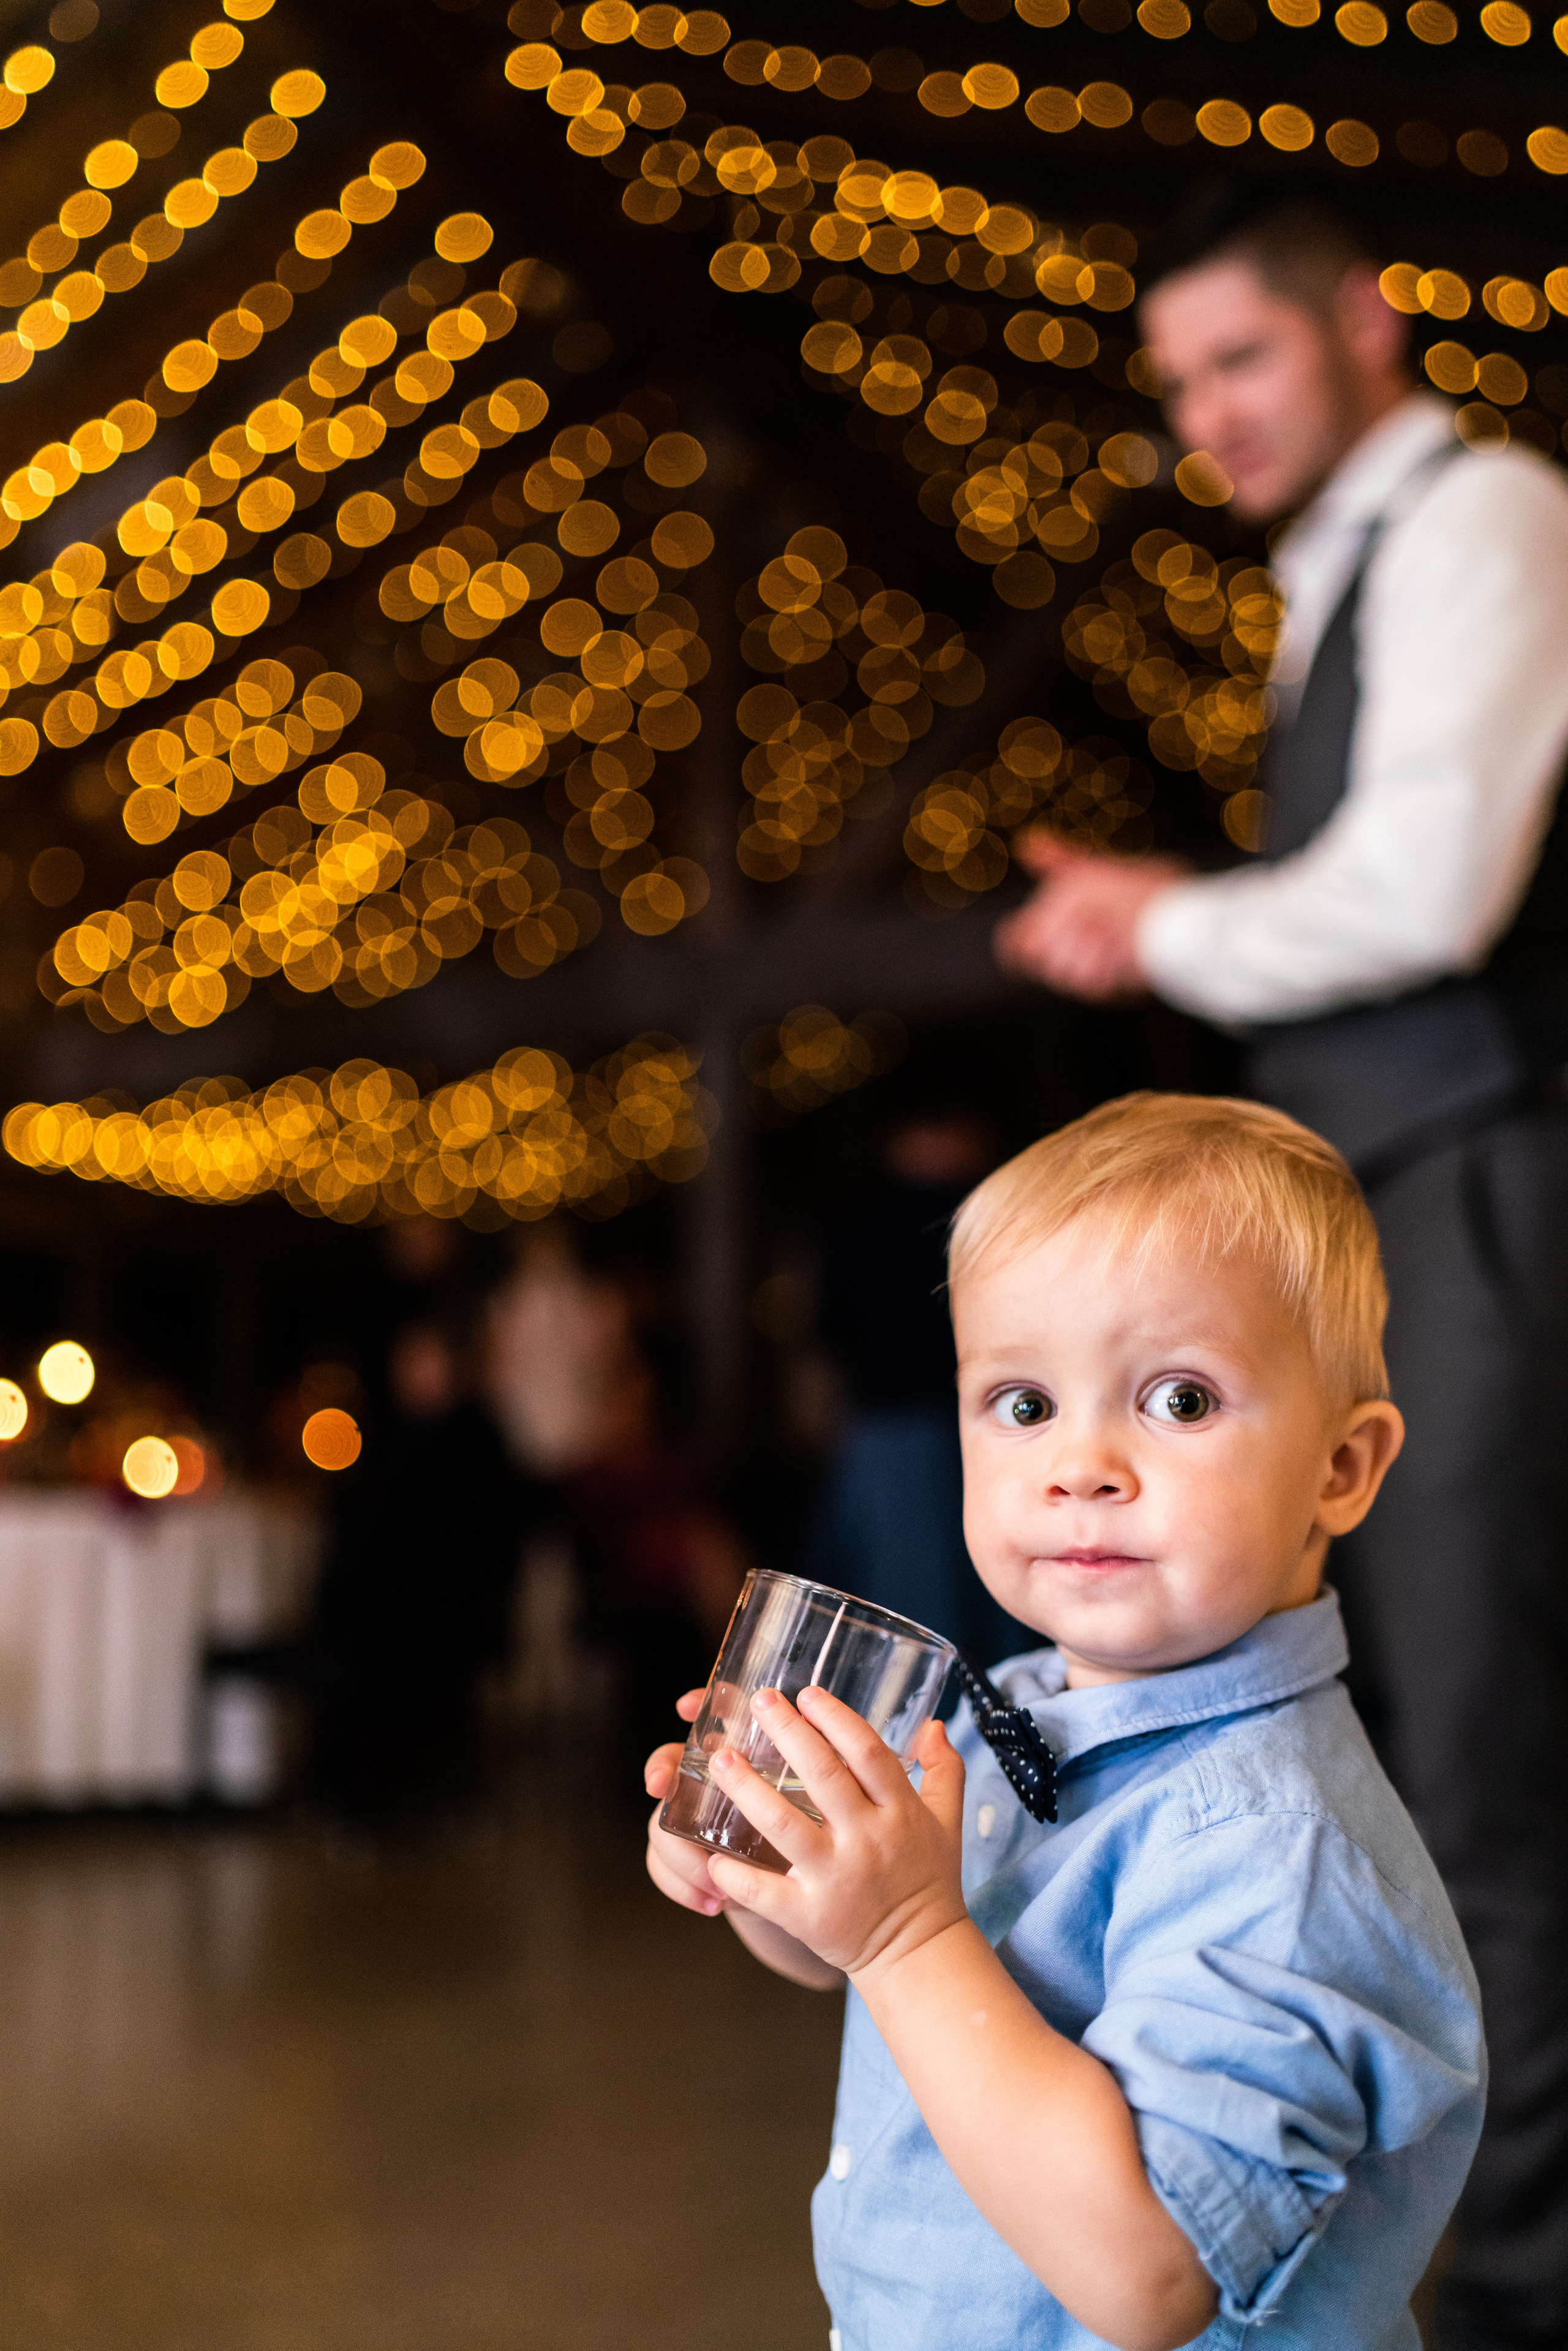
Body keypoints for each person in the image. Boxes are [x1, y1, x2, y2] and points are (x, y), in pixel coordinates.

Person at [996, 186, 1568, 2351]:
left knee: (1494, 1775)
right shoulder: (1330, 574)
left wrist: (1164, 923)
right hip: (1388, 1208)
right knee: (1398, 1749)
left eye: (1239, 358)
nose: (1206, 417)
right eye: (1180, 385)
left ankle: (1524, 2297)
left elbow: (1426, 888)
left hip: (1484, 1185)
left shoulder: (1489, 513)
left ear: (1369, 322)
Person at [646, 1095, 1483, 2351]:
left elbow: (1147, 2275)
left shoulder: (1278, 1851)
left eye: (1181, 1399)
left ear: (1340, 1467)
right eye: (1024, 1403)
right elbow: (857, 1955)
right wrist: (778, 1875)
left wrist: (903, 1931)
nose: (1079, 1462)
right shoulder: (1018, 1704)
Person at [809, 1105, 1032, 1661]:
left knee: (906, 1601)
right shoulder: (982, 1216)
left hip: (883, 1425)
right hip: (949, 1425)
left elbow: (829, 1327)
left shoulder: (855, 1220)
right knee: (967, 1595)